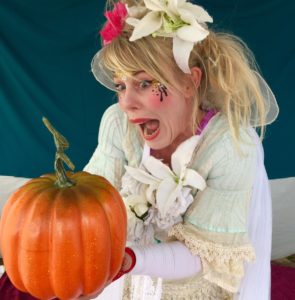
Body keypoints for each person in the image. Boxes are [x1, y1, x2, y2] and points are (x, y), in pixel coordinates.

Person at [0, 0, 279, 299]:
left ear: (189, 81)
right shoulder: (119, 125)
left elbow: (204, 257)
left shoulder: (230, 146)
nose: (126, 103)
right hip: (127, 282)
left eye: (145, 83)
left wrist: (133, 260)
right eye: (121, 86)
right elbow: (89, 203)